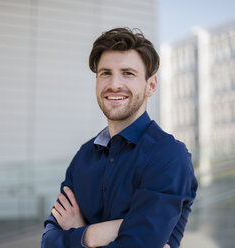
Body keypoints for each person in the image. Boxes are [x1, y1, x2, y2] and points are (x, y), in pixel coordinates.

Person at [41, 27, 197, 248]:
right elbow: (47, 241)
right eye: (105, 73)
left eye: (128, 73)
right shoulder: (84, 156)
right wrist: (92, 235)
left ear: (150, 85)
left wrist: (77, 232)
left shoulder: (169, 156)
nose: (114, 84)